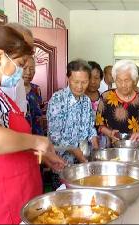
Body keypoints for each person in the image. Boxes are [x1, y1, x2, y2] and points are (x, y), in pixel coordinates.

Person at [0, 23, 63, 224]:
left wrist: (39, 156)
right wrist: (36, 141)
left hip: (17, 195)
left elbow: (11, 142)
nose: (22, 71)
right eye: (21, 63)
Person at [47, 59, 99, 190]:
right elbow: (54, 136)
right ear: (68, 78)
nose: (80, 86)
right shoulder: (57, 99)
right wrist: (73, 149)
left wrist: (95, 144)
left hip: (82, 162)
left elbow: (90, 127)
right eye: (76, 82)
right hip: (61, 164)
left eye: (84, 82)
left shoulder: (86, 101)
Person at [96, 60, 139, 142]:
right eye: (119, 80)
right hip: (113, 147)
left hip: (137, 146)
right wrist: (110, 133)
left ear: (134, 80)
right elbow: (99, 124)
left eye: (127, 80)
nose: (123, 85)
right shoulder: (106, 97)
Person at [0, 22, 35, 113]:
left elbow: (22, 112)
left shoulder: (17, 80)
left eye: (30, 51)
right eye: (25, 49)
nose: (27, 56)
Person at [86, 61, 109, 149]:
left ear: (101, 79)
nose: (93, 81)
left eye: (96, 78)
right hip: (81, 147)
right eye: (89, 78)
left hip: (102, 145)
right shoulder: (78, 99)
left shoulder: (105, 98)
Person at [23, 56, 44, 135]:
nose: (28, 72)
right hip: (21, 136)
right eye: (24, 68)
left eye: (31, 69)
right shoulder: (12, 90)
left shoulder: (36, 88)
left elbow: (39, 111)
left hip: (37, 134)